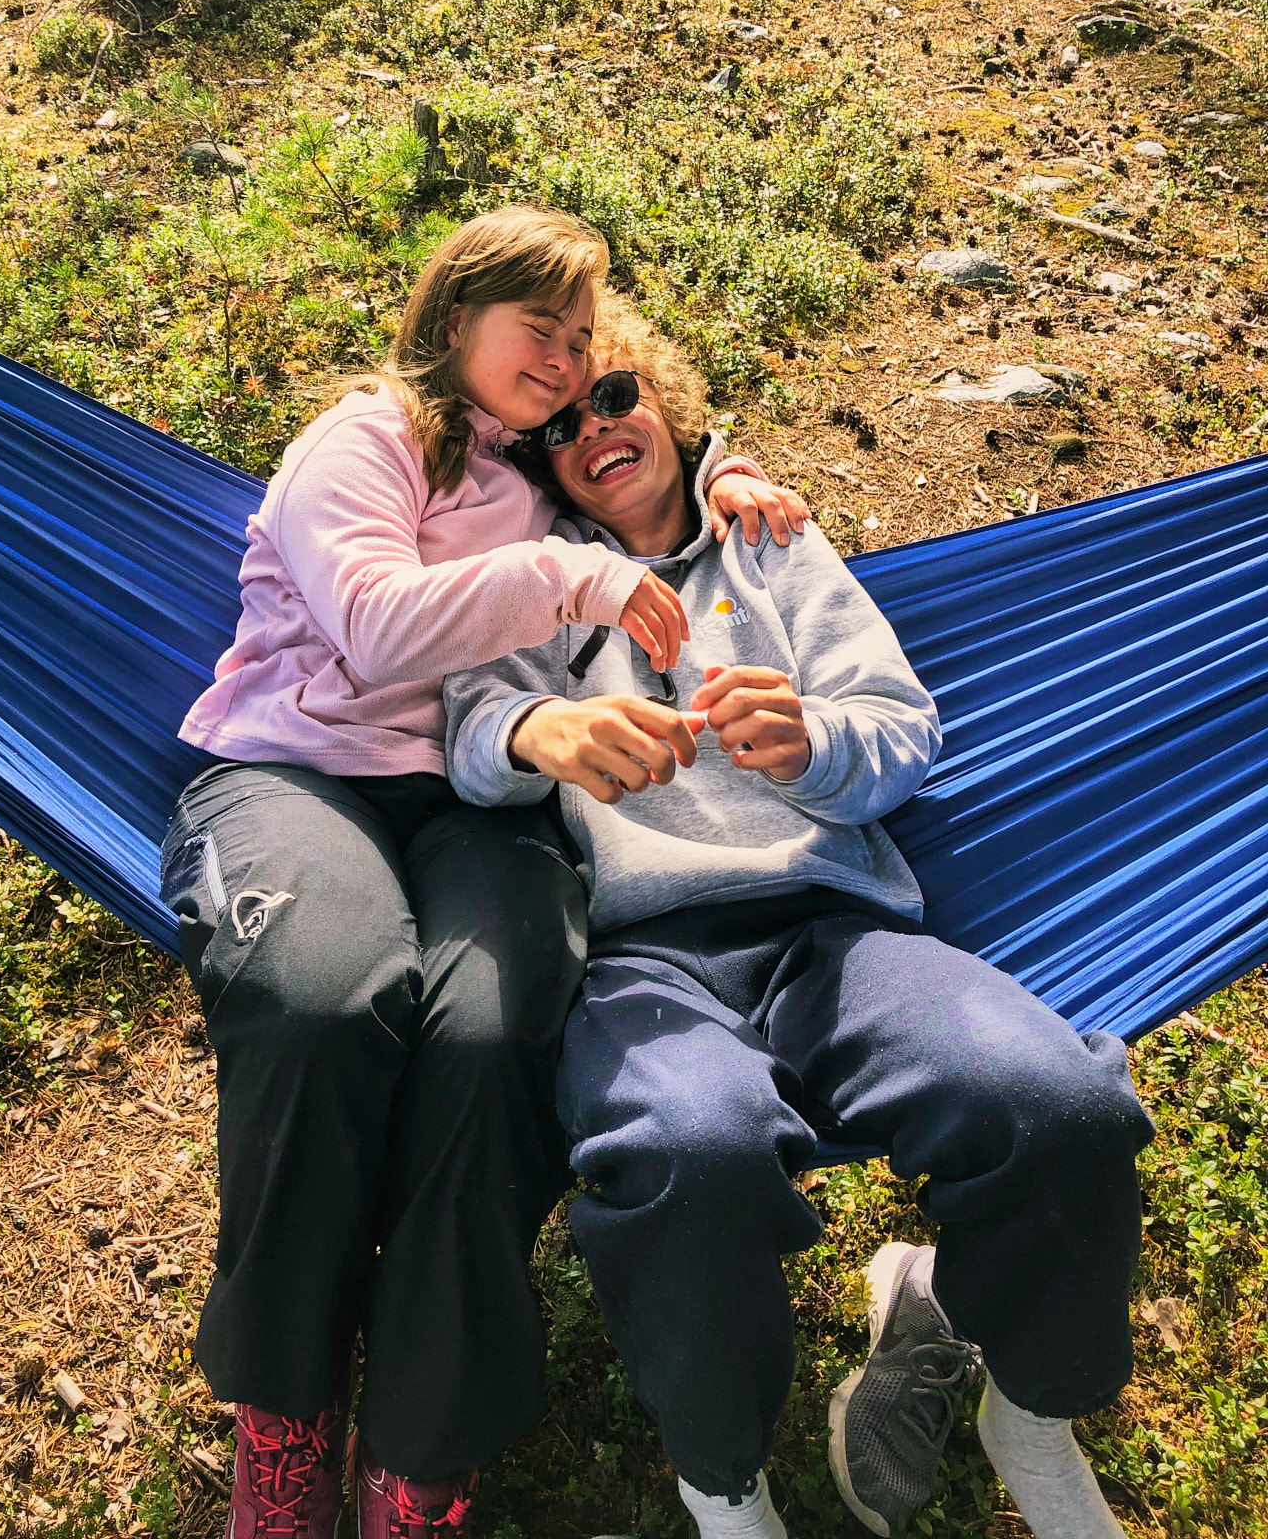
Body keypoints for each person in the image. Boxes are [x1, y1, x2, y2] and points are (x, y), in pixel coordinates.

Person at [444, 295, 1154, 1539]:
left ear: (666, 408)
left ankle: (1031, 1410)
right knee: (690, 1151)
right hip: (642, 958)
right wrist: (536, 728)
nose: (592, 429)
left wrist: (814, 744)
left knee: (1062, 1108)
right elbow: (467, 738)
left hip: (837, 934)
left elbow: (900, 726)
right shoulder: (532, 584)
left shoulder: (770, 543)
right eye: (556, 427)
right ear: (538, 467)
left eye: (613, 396)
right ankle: (723, 1480)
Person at [160, 209, 808, 1539]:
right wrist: (567, 578)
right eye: (541, 330)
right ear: (457, 317)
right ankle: (287, 1412)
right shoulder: (365, 439)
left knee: (492, 1031)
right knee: (326, 1001)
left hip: (476, 794)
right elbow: (373, 625)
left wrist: (731, 478)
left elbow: (649, 479)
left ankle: (421, 1443)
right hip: (296, 776)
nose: (567, 362)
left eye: (582, 339)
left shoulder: (535, 470)